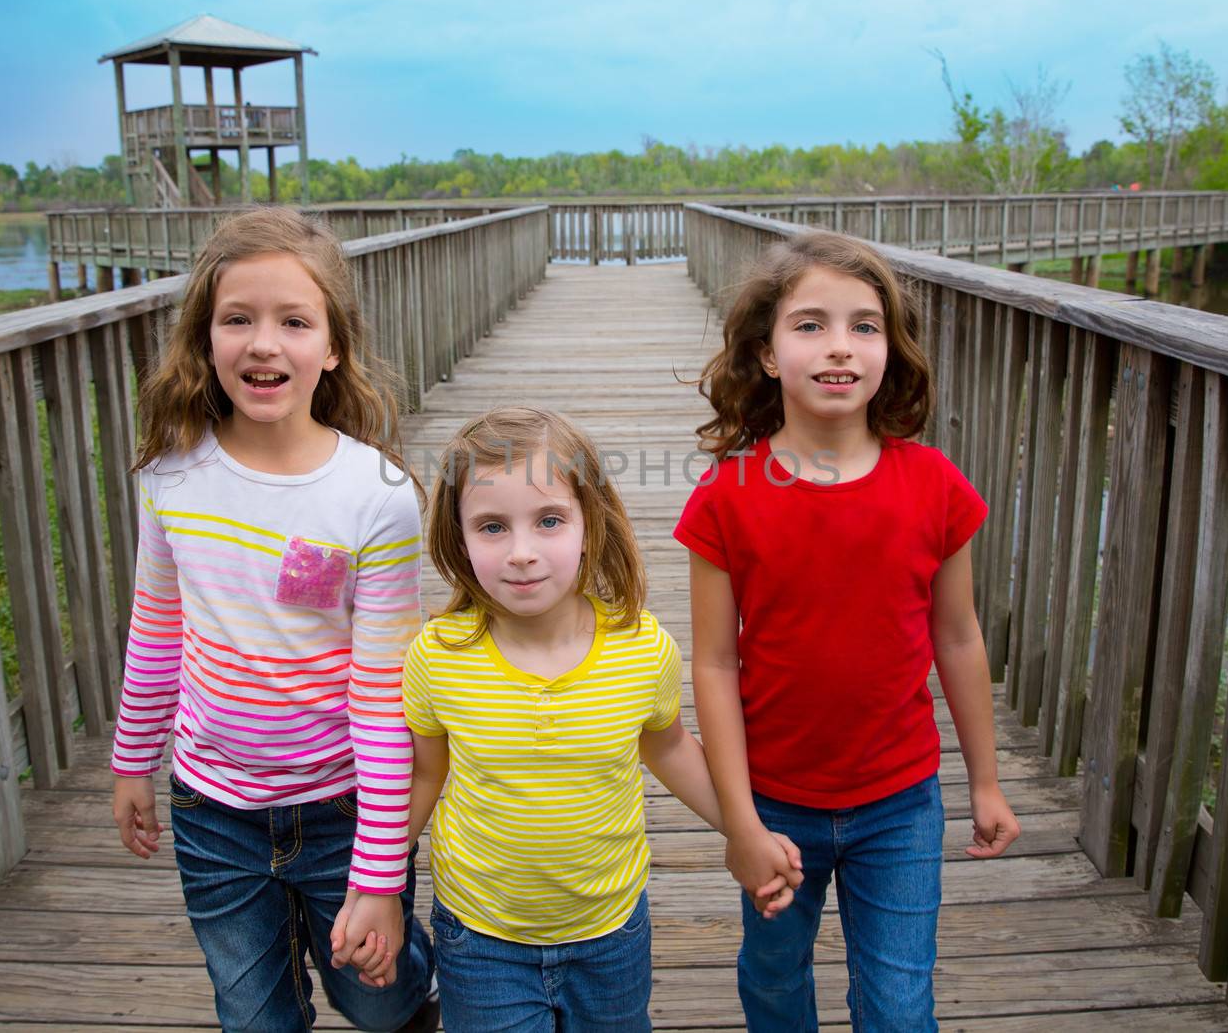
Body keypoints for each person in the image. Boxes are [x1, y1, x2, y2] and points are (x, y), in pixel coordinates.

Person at [676, 230, 1021, 1032]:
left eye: (864, 326)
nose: (840, 348)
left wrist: (988, 781)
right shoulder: (728, 497)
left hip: (899, 801)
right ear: (766, 354)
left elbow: (959, 638)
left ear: (890, 352)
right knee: (771, 982)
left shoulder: (934, 486)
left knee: (899, 1009)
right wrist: (740, 823)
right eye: (811, 325)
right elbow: (716, 667)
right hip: (774, 799)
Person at [108, 206, 438, 1033]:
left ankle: (422, 987)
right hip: (211, 805)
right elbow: (155, 628)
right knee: (253, 1015)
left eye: (294, 322)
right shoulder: (170, 477)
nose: (263, 343)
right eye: (238, 319)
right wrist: (130, 762)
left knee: (378, 996)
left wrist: (377, 878)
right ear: (205, 338)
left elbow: (381, 693)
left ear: (331, 348)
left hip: (341, 805)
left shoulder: (377, 497)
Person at [386, 406, 800, 1031]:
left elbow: (668, 748)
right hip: (480, 932)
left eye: (549, 520)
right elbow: (424, 777)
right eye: (492, 527)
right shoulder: (438, 658)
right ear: (458, 536)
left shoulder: (640, 649)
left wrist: (744, 831)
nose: (522, 553)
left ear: (590, 522)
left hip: (610, 930)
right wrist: (376, 888)